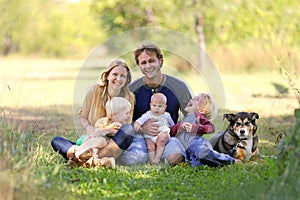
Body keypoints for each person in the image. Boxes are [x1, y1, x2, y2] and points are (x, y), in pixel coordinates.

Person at [116, 41, 192, 166]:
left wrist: (177, 130)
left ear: (160, 61)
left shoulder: (179, 87)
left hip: (167, 136)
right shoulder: (132, 90)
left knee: (176, 153)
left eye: (151, 61)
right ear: (139, 65)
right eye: (143, 63)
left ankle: (168, 157)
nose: (148, 66)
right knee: (135, 158)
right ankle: (145, 156)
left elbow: (191, 116)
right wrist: (141, 128)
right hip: (141, 137)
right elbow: (123, 122)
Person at [51, 59, 136, 164]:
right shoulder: (94, 90)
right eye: (115, 74)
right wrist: (91, 130)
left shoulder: (130, 97)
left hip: (112, 144)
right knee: (57, 141)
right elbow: (82, 116)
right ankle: (94, 159)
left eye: (123, 76)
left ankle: (84, 158)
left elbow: (125, 126)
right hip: (92, 141)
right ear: (107, 76)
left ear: (127, 79)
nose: (118, 79)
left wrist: (105, 131)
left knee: (129, 129)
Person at [170, 93, 241, 167]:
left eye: (197, 99)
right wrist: (179, 126)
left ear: (201, 111)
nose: (191, 99)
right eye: (193, 98)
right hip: (185, 148)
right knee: (197, 164)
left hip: (194, 142)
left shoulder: (197, 116)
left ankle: (231, 160)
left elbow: (210, 128)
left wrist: (195, 128)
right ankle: (231, 153)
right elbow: (171, 132)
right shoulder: (183, 120)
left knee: (202, 154)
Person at [70, 97, 132, 167]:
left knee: (102, 141)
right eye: (126, 113)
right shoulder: (102, 121)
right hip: (93, 144)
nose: (129, 116)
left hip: (106, 149)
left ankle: (90, 158)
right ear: (114, 114)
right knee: (95, 139)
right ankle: (82, 151)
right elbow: (96, 132)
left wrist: (105, 131)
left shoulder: (121, 126)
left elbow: (117, 135)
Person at [134, 93, 174, 164]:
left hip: (162, 133)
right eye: (154, 105)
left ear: (165, 107)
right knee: (150, 146)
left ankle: (157, 158)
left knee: (161, 140)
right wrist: (137, 124)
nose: (157, 108)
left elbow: (173, 125)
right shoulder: (148, 114)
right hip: (149, 135)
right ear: (150, 105)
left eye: (160, 106)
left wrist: (173, 130)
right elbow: (140, 120)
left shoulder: (166, 115)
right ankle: (152, 161)